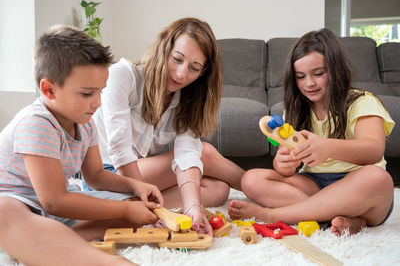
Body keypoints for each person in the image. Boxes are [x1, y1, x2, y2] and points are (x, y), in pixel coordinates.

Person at [0, 25, 164, 266]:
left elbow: (96, 175)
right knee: (3, 213)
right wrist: (123, 211)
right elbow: (54, 200)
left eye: (100, 92)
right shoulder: (35, 123)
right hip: (18, 202)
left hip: (54, 211)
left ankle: (47, 244)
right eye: (87, 94)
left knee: (136, 209)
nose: (97, 103)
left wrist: (135, 185)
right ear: (49, 89)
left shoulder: (84, 123)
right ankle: (90, 258)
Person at [228, 28, 395, 236]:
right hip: (315, 184)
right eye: (300, 76)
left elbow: (374, 150)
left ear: (337, 70)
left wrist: (328, 148)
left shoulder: (361, 102)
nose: (309, 83)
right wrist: (283, 164)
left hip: (357, 185)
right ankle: (345, 219)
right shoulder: (296, 110)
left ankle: (275, 215)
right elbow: (286, 169)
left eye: (318, 74)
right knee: (251, 179)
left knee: (377, 178)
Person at [91, 17, 244, 236]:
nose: (182, 74)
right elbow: (120, 150)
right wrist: (142, 195)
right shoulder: (123, 75)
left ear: (203, 72)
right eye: (178, 59)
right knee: (206, 153)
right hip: (108, 173)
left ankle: (138, 210)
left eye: (194, 68)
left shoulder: (187, 98)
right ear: (165, 48)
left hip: (138, 175)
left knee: (218, 190)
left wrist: (193, 208)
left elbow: (187, 152)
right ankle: (257, 187)